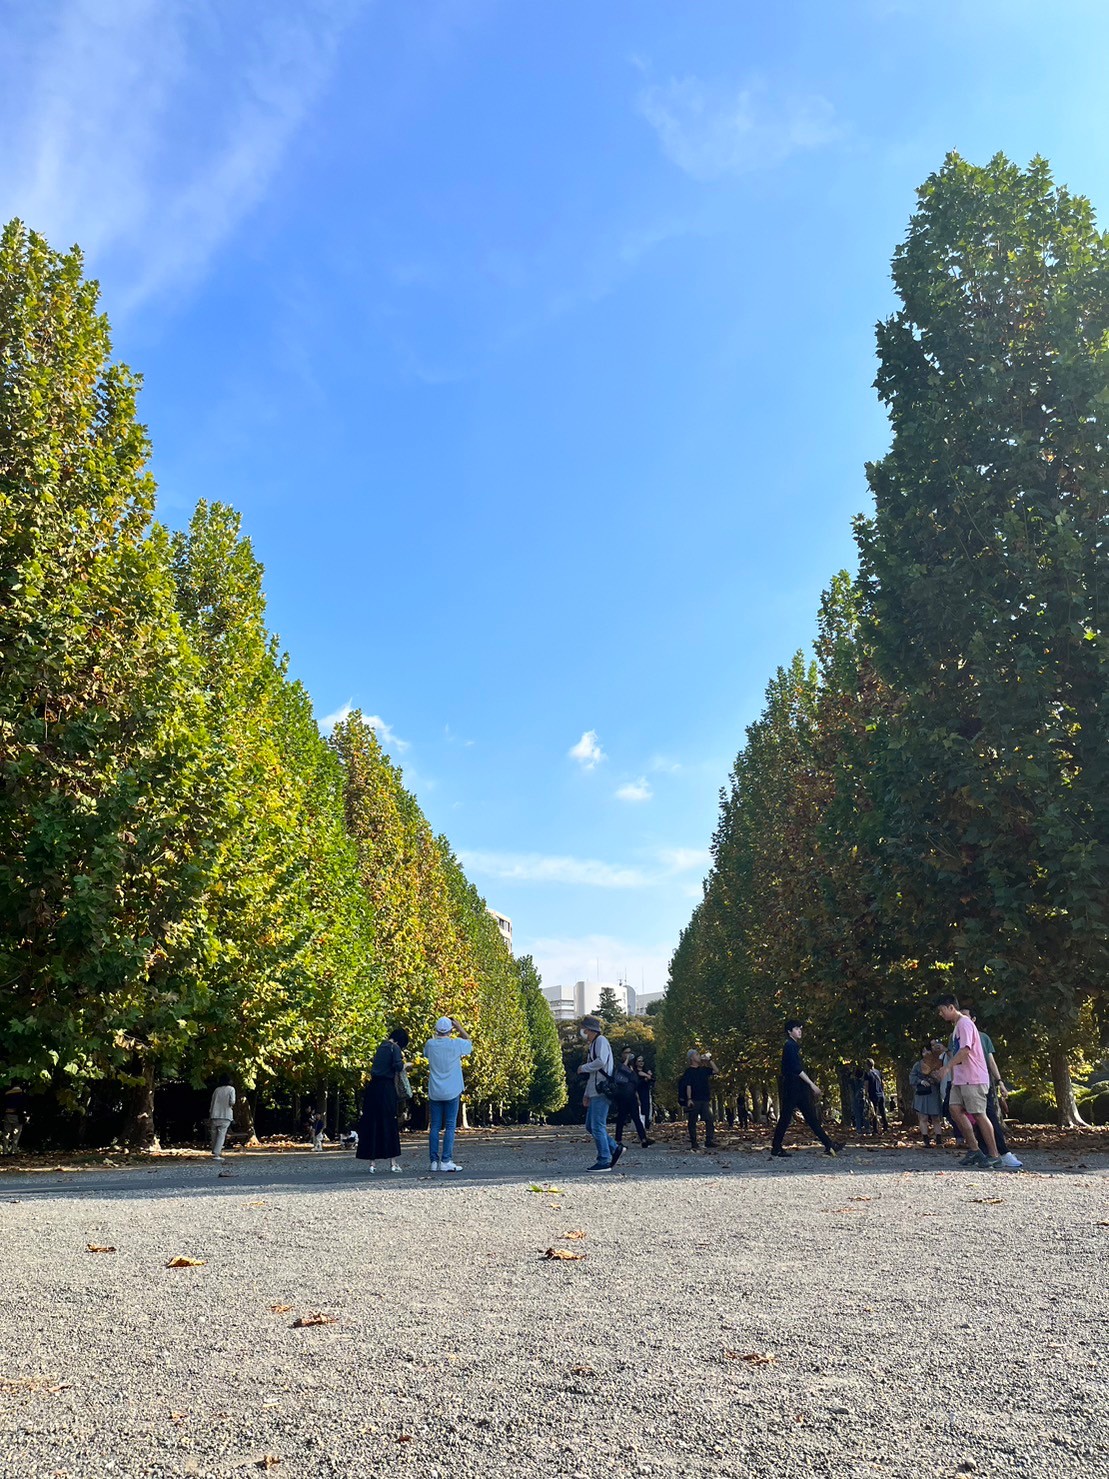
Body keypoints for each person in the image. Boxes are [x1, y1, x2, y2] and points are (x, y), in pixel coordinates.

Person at [935, 995, 1001, 1169]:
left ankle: (994, 1155)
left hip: (973, 1077)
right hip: (961, 1078)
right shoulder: (957, 1027)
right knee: (953, 1109)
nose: (940, 1015)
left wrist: (947, 1067)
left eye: (941, 1011)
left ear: (950, 1008)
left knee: (979, 1114)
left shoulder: (964, 1024)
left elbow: (965, 1050)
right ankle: (974, 1149)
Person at [770, 1021, 843, 1159]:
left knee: (809, 1117)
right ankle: (776, 1147)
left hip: (796, 1086)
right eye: (796, 1029)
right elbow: (796, 1069)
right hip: (793, 1086)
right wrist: (811, 1084)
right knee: (787, 1118)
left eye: (800, 1029)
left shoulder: (793, 1046)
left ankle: (829, 1144)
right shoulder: (790, 1046)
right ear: (789, 1031)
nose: (799, 1031)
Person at [964, 1009, 1022, 1172]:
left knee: (988, 1116)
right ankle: (982, 1152)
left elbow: (991, 1061)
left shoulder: (983, 1038)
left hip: (982, 1083)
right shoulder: (956, 1036)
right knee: (972, 1118)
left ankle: (1003, 1152)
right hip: (964, 1083)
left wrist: (1000, 1082)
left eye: (965, 1016)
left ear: (973, 1019)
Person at [357, 1028, 409, 1173]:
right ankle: (393, 1162)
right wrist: (407, 1065)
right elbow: (398, 1066)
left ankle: (372, 1164)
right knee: (389, 1123)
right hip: (386, 1089)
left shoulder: (381, 1047)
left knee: (373, 1124)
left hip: (373, 1089)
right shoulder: (395, 1048)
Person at [425, 1016, 471, 1173]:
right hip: (452, 1090)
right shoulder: (456, 1044)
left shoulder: (430, 1045)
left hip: (435, 1090)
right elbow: (469, 1042)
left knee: (435, 1126)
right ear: (451, 1030)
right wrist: (460, 1027)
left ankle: (433, 1162)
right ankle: (446, 1160)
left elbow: (426, 1055)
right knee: (450, 1126)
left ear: (436, 1030)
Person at [577, 1015, 619, 1170]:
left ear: (590, 1030)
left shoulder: (600, 1041)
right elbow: (594, 1075)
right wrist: (587, 1094)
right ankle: (614, 1148)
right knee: (591, 1126)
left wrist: (583, 1067)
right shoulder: (594, 1044)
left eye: (584, 1030)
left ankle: (604, 1160)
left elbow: (601, 1062)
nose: (583, 1033)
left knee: (597, 1126)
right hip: (596, 1090)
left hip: (602, 1090)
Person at [677, 1049, 717, 1151]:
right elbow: (688, 1085)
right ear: (692, 1058)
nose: (699, 1056)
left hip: (705, 1098)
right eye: (697, 1054)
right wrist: (689, 1099)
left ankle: (709, 1140)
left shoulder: (703, 1069)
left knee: (709, 1119)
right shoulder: (689, 1072)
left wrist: (710, 1060)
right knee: (692, 1121)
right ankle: (694, 1142)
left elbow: (716, 1071)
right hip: (694, 1099)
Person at [613, 1048, 653, 1148]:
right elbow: (621, 1072)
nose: (628, 1055)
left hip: (631, 1095)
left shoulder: (632, 1067)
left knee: (636, 1117)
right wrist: (626, 1060)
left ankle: (643, 1138)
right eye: (626, 1053)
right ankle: (618, 1139)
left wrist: (637, 1096)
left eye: (630, 1053)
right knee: (621, 1118)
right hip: (622, 1095)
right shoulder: (619, 1065)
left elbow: (635, 1083)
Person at [910, 1047, 944, 1145]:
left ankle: (939, 1139)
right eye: (923, 1051)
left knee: (936, 1117)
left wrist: (936, 1078)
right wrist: (920, 1081)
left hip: (933, 1092)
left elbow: (942, 1077)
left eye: (927, 1050)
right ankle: (925, 1139)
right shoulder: (918, 1065)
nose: (925, 1053)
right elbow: (912, 1077)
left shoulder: (938, 1063)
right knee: (923, 1117)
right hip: (922, 1093)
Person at [209, 1074, 236, 1173]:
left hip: (214, 1114)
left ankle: (214, 1151)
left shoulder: (217, 1090)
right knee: (221, 1135)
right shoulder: (231, 1089)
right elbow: (232, 1102)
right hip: (225, 1115)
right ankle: (217, 1153)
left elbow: (212, 1102)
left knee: (214, 1134)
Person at [864, 1059, 889, 1133]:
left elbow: (866, 1084)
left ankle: (875, 1129)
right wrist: (882, 1091)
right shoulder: (878, 1072)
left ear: (867, 1065)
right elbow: (882, 1083)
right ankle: (885, 1127)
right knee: (882, 1111)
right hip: (880, 1094)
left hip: (873, 1094)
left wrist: (866, 1094)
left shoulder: (867, 1073)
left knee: (874, 1112)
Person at [2, 1084, 28, 1154]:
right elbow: (24, 1107)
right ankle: (14, 1149)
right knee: (16, 1134)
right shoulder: (22, 1095)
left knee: (6, 1133)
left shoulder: (7, 1094)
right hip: (18, 1116)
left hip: (7, 1115)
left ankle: (5, 1150)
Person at [634, 1055, 654, 1131]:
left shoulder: (646, 1071)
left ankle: (647, 1124)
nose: (641, 1062)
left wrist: (649, 1076)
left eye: (642, 1061)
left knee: (647, 1108)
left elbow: (652, 1080)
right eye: (639, 1061)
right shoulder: (634, 1072)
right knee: (639, 1109)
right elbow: (636, 1084)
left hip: (646, 1092)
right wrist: (644, 1079)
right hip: (638, 1092)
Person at [850, 1067, 869, 1136]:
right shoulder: (863, 1082)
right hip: (863, 1099)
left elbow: (848, 1080)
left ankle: (859, 1129)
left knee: (857, 1115)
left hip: (855, 1099)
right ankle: (867, 1128)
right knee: (864, 1114)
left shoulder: (853, 1081)